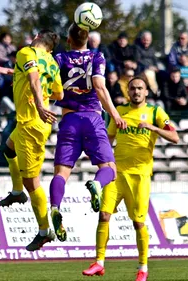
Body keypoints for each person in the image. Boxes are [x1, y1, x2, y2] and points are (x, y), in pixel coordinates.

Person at [82, 75, 179, 281]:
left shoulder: (155, 112)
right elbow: (108, 138)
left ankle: (143, 268)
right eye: (133, 88)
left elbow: (175, 137)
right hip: (117, 173)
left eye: (140, 88)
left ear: (146, 92)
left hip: (140, 176)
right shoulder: (120, 112)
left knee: (138, 223)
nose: (136, 92)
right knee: (104, 215)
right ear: (128, 91)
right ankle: (99, 262)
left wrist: (153, 128)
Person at [48, 23, 126, 242]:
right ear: (88, 39)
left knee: (61, 173)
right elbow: (100, 88)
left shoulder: (60, 59)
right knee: (109, 169)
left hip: (69, 119)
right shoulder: (97, 57)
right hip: (92, 118)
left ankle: (55, 208)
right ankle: (96, 185)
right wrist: (115, 114)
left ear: (69, 39)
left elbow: (43, 82)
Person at [0, 30, 64, 252]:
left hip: (32, 124)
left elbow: (34, 79)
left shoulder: (26, 52)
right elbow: (59, 94)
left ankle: (44, 231)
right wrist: (9, 71)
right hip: (30, 122)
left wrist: (40, 105)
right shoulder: (52, 62)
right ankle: (17, 193)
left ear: (35, 37)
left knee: (31, 182)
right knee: (8, 149)